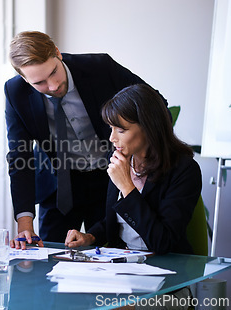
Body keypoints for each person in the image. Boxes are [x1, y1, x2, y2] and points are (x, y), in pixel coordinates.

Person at [5, 31, 157, 247]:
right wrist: (25, 224)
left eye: (54, 72)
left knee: (111, 252)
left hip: (110, 178)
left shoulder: (100, 68)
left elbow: (156, 104)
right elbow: (19, 155)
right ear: (24, 79)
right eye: (40, 82)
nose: (53, 86)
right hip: (59, 187)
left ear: (57, 53)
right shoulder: (15, 92)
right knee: (50, 261)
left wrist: (138, 160)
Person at [65, 84, 202, 254]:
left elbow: (163, 242)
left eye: (121, 130)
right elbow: (117, 218)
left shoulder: (184, 170)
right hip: (123, 261)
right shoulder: (119, 158)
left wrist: (127, 187)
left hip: (164, 267)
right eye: (111, 128)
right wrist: (91, 236)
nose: (112, 138)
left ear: (148, 128)